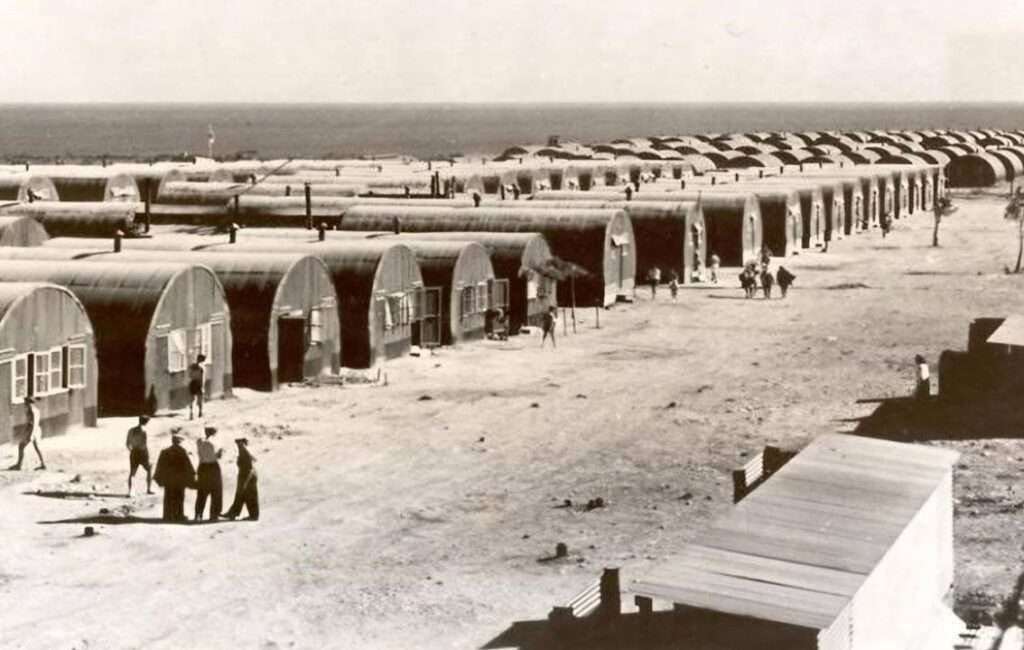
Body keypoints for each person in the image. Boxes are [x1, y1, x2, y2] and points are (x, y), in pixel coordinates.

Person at [154, 430, 196, 522]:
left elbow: (160, 466)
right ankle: (178, 515)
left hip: (169, 479)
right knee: (179, 497)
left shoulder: (165, 451)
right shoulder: (182, 451)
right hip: (179, 479)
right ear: (180, 441)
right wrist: (192, 477)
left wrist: (159, 478)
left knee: (168, 497)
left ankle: (167, 516)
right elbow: (188, 465)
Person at [223, 438, 259, 521]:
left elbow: (252, 462)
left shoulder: (245, 450)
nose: (237, 445)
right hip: (245, 474)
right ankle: (234, 513)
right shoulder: (242, 451)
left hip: (248, 474)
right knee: (243, 494)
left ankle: (251, 515)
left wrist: (246, 480)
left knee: (246, 494)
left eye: (239, 443)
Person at [194, 426, 224, 522]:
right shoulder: (213, 443)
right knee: (216, 492)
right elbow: (216, 456)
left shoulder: (199, 441)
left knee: (202, 493)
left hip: (202, 467)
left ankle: (198, 515)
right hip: (213, 467)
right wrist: (220, 452)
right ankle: (214, 515)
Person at [8, 396, 45, 471]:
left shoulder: (31, 410)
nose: (24, 404)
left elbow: (33, 423)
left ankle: (19, 465)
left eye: (25, 402)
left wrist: (30, 435)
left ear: (29, 403)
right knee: (37, 448)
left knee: (21, 446)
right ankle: (43, 464)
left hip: (32, 430)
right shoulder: (36, 410)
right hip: (36, 429)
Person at [126, 415, 153, 495]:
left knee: (132, 472)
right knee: (149, 469)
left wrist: (132, 451)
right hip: (143, 453)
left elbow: (127, 444)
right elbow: (144, 444)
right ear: (146, 422)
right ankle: (149, 489)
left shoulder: (131, 430)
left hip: (134, 452)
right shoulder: (145, 431)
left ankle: (131, 491)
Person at [188, 354, 206, 420]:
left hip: (192, 383)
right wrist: (202, 386)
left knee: (191, 399)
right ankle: (200, 412)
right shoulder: (201, 368)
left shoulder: (192, 366)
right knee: (200, 398)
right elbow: (202, 378)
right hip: (198, 384)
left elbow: (189, 375)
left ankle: (191, 414)